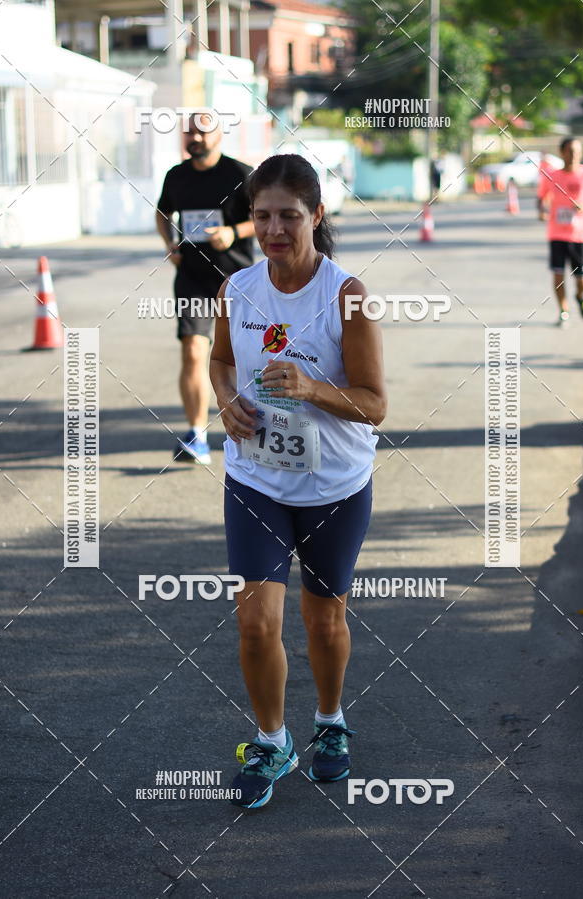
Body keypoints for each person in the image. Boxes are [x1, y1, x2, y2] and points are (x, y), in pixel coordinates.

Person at [209, 154, 387, 809]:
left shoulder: (347, 294)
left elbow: (375, 404)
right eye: (262, 216)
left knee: (322, 618)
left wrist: (313, 387)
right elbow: (221, 362)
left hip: (334, 482)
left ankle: (331, 721)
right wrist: (226, 402)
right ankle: (271, 738)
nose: (274, 228)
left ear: (316, 215)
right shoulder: (237, 289)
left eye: (289, 215)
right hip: (255, 477)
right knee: (255, 622)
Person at [156, 111, 255, 463]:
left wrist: (233, 232)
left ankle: (254, 428)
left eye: (202, 130)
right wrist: (169, 244)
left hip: (238, 281)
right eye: (190, 131)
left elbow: (264, 217)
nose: (195, 136)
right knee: (194, 352)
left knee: (245, 358)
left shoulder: (240, 174)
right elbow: (162, 212)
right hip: (193, 279)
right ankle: (197, 435)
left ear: (218, 135)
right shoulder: (176, 176)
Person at [537, 137, 583, 326]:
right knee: (558, 276)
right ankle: (563, 310)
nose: (574, 155)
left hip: (581, 235)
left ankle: (580, 297)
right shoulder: (552, 175)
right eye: (570, 151)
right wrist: (541, 211)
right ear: (562, 153)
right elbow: (541, 197)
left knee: (582, 281)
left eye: (577, 151)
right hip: (557, 234)